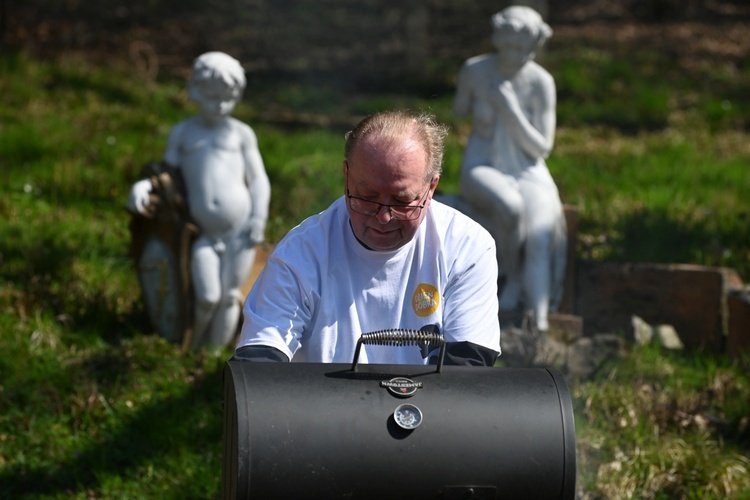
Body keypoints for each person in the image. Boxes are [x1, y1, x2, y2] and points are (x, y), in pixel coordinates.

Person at [235, 110, 500, 366]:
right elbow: (259, 361)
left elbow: (468, 369)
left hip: (431, 409)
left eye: (401, 200)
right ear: (346, 176)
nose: (383, 217)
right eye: (367, 197)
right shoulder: (301, 253)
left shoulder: (467, 246)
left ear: (431, 187)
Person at [128, 51, 271, 348]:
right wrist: (143, 186)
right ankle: (192, 346)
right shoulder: (183, 133)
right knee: (208, 297)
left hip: (240, 234)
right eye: (211, 97)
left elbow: (259, 181)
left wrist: (258, 219)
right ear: (194, 91)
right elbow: (165, 176)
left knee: (231, 297)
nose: (220, 105)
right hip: (204, 235)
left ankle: (214, 358)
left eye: (228, 98)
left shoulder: (241, 134)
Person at [452, 5, 566, 332]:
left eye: (525, 50)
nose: (516, 56)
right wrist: (478, 104)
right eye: (511, 46)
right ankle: (512, 279)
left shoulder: (541, 82)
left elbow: (541, 147)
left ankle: (540, 323)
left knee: (542, 231)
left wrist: (511, 109)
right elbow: (458, 110)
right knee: (511, 207)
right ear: (498, 40)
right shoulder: (475, 70)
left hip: (529, 168)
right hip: (483, 163)